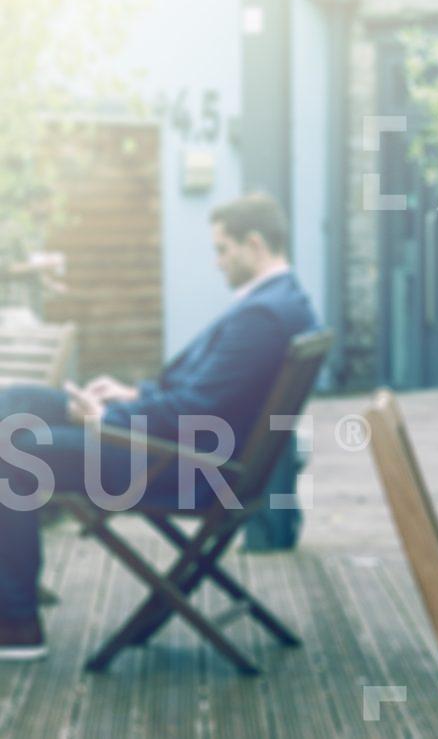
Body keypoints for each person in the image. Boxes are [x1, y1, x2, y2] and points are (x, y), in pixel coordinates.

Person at [0, 192, 318, 659]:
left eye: (222, 250)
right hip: (196, 454)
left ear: (254, 244)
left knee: (16, 454)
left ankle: (16, 618)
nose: (217, 262)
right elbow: (205, 396)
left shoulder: (262, 317)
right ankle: (13, 572)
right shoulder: (285, 303)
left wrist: (105, 417)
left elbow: (192, 412)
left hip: (187, 468)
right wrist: (132, 395)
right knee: (18, 400)